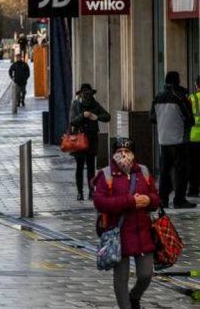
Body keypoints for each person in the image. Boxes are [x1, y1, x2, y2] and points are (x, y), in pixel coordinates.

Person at [92, 138, 160, 309]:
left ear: (133, 154)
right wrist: (129, 201)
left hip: (143, 232)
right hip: (118, 234)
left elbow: (156, 198)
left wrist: (149, 200)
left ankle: (134, 296)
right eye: (119, 152)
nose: (123, 155)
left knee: (146, 275)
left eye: (127, 152)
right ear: (113, 155)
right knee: (121, 279)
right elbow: (100, 202)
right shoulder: (106, 175)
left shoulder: (143, 172)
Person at [151, 71, 196, 208]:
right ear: (178, 81)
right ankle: (179, 200)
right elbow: (190, 119)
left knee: (164, 170)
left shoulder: (157, 97)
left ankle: (163, 200)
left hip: (163, 140)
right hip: (179, 140)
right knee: (180, 170)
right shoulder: (181, 97)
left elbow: (152, 118)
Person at [70, 83, 111, 201]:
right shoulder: (76, 104)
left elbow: (107, 116)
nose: (87, 96)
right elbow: (73, 121)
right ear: (81, 94)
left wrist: (96, 117)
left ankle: (91, 191)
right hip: (79, 139)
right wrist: (83, 115)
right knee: (79, 166)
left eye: (88, 93)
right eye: (85, 94)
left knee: (91, 167)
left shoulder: (95, 104)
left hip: (92, 138)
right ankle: (79, 192)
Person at [188, 76, 200, 197]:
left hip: (193, 137)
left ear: (196, 85)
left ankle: (193, 190)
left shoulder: (192, 98)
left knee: (194, 166)